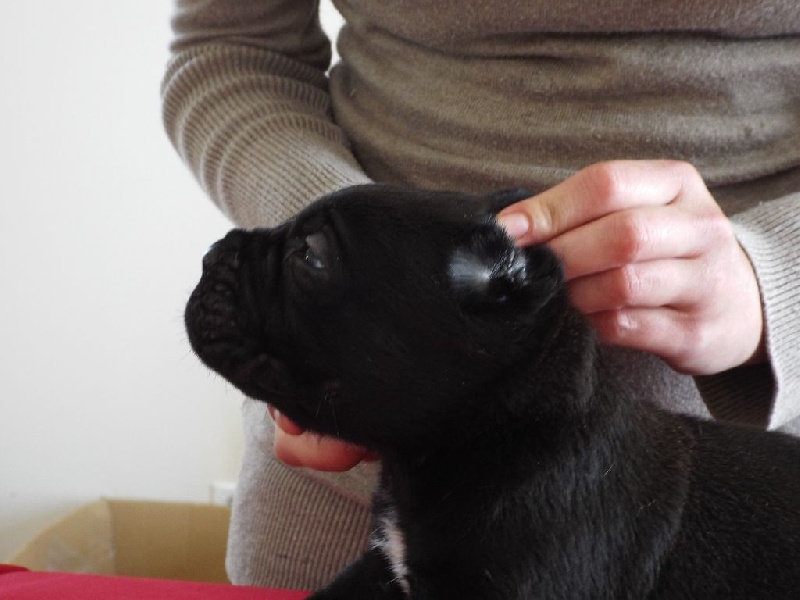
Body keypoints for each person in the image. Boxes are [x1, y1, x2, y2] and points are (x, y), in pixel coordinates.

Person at [162, 0, 800, 591]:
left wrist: (777, 276)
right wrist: (338, 264)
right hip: (342, 481)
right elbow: (231, 45)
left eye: (307, 256)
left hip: (746, 471)